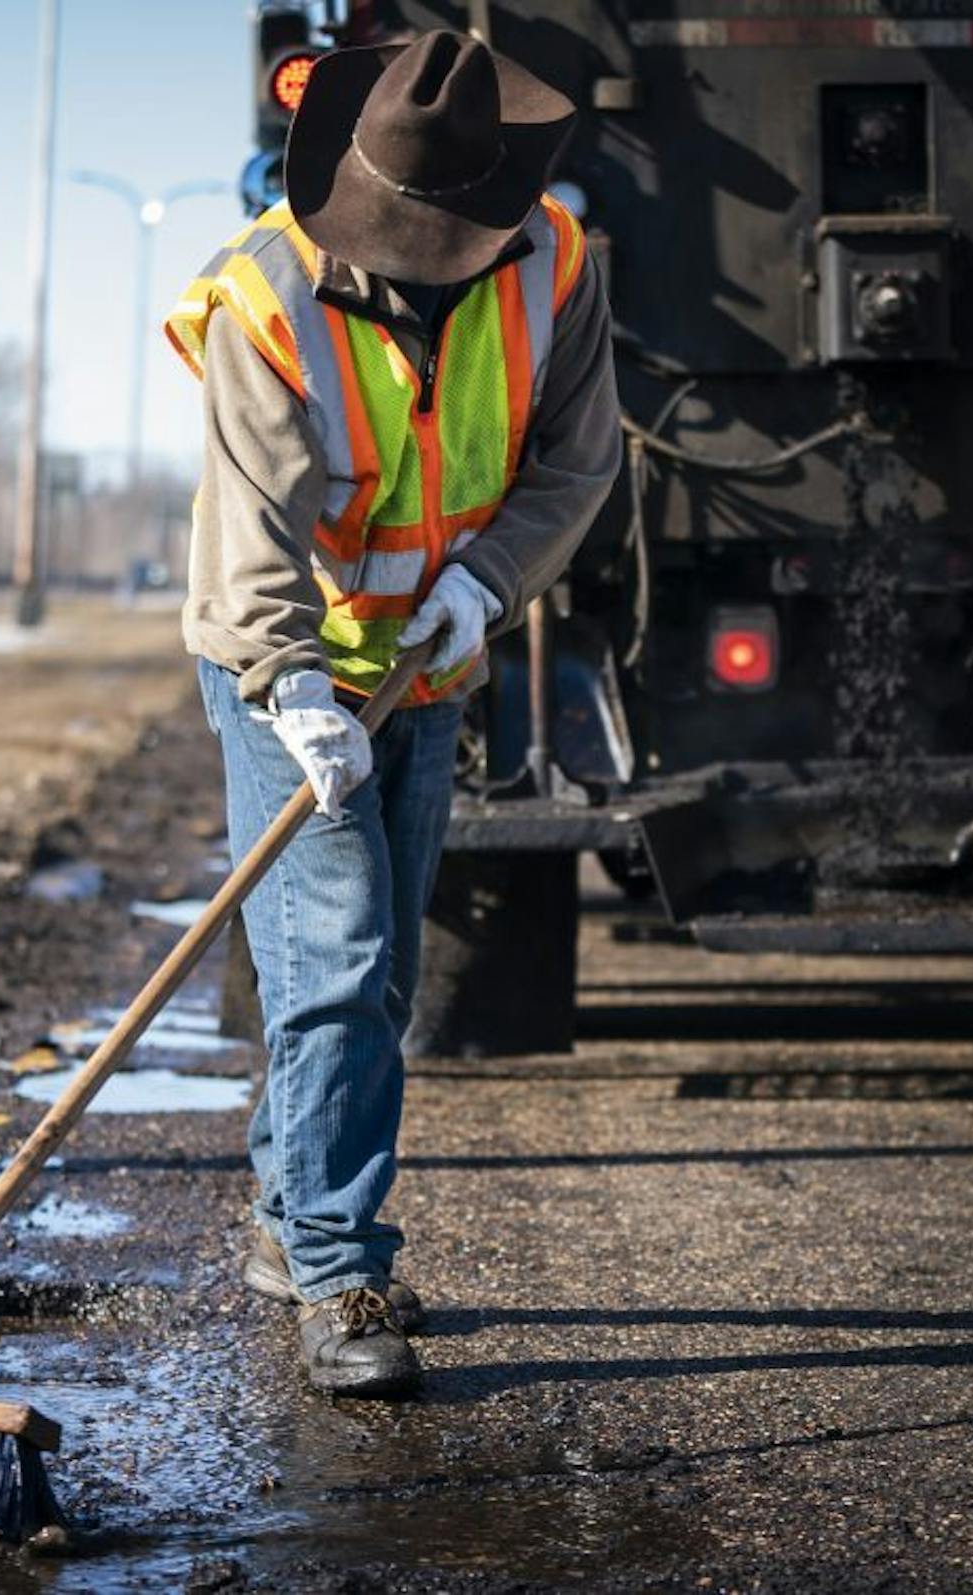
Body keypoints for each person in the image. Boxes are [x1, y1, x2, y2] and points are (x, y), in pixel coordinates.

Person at [163, 29, 620, 1397]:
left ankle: (280, 1216)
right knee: (341, 961)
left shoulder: (555, 265)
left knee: (378, 977)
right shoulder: (260, 298)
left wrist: (489, 584)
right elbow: (249, 531)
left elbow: (579, 461)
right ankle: (337, 1274)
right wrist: (292, 683)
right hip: (287, 662)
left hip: (433, 656)